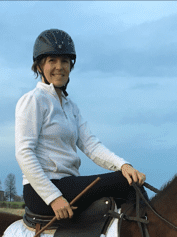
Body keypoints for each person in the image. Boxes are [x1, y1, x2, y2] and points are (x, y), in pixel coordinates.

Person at [15, 29, 146, 220]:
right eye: (52, 60)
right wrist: (53, 198)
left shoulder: (70, 107)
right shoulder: (33, 100)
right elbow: (24, 152)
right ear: (39, 66)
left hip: (69, 184)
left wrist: (123, 165)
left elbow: (91, 146)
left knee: (130, 179)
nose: (59, 67)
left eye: (65, 61)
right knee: (126, 184)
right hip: (42, 191)